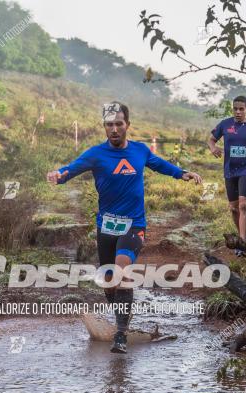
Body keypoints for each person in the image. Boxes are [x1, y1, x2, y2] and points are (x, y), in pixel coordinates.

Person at [46, 102, 202, 353]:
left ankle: (120, 334)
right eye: (110, 124)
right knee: (109, 282)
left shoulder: (140, 150)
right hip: (106, 227)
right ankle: (121, 316)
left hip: (134, 226)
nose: (115, 129)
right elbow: (71, 169)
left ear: (128, 125)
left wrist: (181, 173)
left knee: (121, 271)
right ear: (104, 127)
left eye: (119, 124)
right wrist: (58, 174)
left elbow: (160, 164)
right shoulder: (96, 154)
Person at [207, 96, 246, 256]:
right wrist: (213, 148)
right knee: (234, 208)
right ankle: (244, 235)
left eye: (241, 109)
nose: (238, 112)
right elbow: (211, 140)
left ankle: (242, 244)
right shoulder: (225, 124)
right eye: (235, 108)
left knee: (243, 206)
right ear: (232, 109)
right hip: (230, 170)